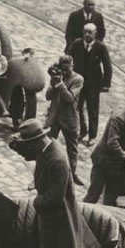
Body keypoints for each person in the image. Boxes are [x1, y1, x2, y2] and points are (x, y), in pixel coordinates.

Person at [9, 119, 97, 248]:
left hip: (60, 217)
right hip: (48, 213)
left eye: (27, 145)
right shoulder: (47, 147)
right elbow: (36, 160)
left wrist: (36, 202)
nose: (27, 150)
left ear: (35, 142)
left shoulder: (57, 161)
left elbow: (55, 197)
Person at [67, 22, 113, 144]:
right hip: (79, 83)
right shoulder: (77, 44)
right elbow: (68, 58)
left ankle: (92, 135)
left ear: (95, 34)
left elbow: (107, 65)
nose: (87, 35)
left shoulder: (100, 47)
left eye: (90, 32)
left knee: (93, 110)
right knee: (78, 108)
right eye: (85, 32)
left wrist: (106, 84)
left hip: (93, 84)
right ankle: (83, 130)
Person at [45, 55, 84, 185]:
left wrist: (60, 84)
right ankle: (46, 173)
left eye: (68, 69)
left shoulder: (78, 79)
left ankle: (71, 176)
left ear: (72, 66)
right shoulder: (57, 77)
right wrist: (53, 82)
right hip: (55, 117)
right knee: (47, 145)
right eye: (63, 69)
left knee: (72, 149)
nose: (65, 72)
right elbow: (48, 96)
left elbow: (70, 98)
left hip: (69, 118)